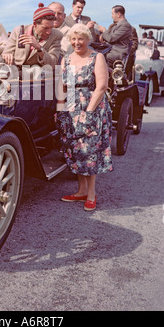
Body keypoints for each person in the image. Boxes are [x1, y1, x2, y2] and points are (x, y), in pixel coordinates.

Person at [56, 23, 113, 211]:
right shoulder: (66, 59)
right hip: (71, 108)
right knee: (75, 149)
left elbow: (102, 86)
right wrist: (60, 109)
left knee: (89, 150)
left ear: (88, 39)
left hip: (92, 106)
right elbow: (62, 86)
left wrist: (89, 112)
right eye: (73, 39)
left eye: (80, 38)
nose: (77, 42)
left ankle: (91, 194)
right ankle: (80, 191)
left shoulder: (97, 57)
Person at [2, 3, 62, 68]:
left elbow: (53, 63)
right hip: (16, 72)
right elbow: (6, 53)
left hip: (38, 75)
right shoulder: (19, 31)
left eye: (51, 27)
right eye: (45, 28)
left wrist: (39, 48)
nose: (48, 32)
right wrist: (7, 55)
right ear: (35, 24)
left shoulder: (56, 35)